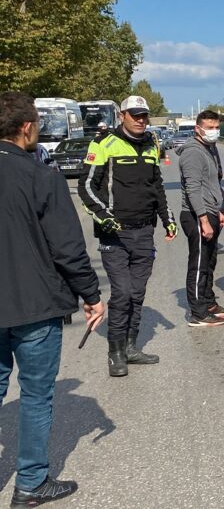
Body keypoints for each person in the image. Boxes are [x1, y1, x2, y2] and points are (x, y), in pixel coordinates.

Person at [0, 92, 104, 507]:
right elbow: (67, 248)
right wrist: (92, 295)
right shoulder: (42, 176)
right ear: (27, 128)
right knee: (36, 395)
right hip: (35, 304)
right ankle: (30, 483)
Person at [79, 95, 176, 377]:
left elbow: (157, 186)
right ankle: (116, 353)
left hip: (145, 231)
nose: (140, 120)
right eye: (134, 115)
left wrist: (167, 219)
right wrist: (103, 216)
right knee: (121, 294)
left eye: (144, 115)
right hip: (115, 234)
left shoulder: (151, 143)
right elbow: (86, 186)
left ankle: (131, 346)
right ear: (122, 115)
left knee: (137, 293)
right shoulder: (103, 143)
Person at [178, 110, 224, 326]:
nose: (214, 131)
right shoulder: (193, 153)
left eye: (216, 127)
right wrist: (203, 219)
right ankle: (198, 313)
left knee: (210, 261)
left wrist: (217, 211)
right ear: (198, 128)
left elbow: (210, 185)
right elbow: (193, 189)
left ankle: (208, 301)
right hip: (195, 215)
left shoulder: (207, 149)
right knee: (199, 263)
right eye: (209, 127)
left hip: (210, 212)